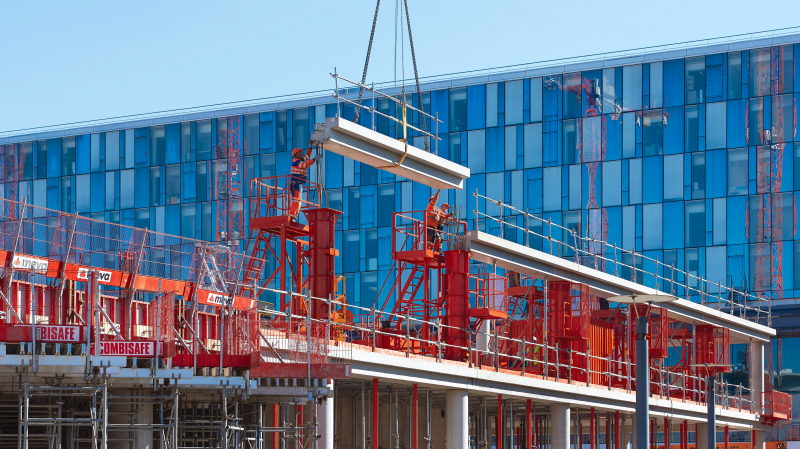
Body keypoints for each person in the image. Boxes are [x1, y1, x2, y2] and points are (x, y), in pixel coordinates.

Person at [289, 147, 320, 221]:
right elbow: (305, 164)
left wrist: (310, 148)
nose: (302, 154)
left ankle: (293, 216)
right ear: (296, 154)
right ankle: (291, 217)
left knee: (298, 201)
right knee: (296, 201)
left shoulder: (299, 160)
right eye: (300, 153)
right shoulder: (296, 161)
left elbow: (306, 157)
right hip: (296, 184)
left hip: (299, 184)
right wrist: (314, 159)